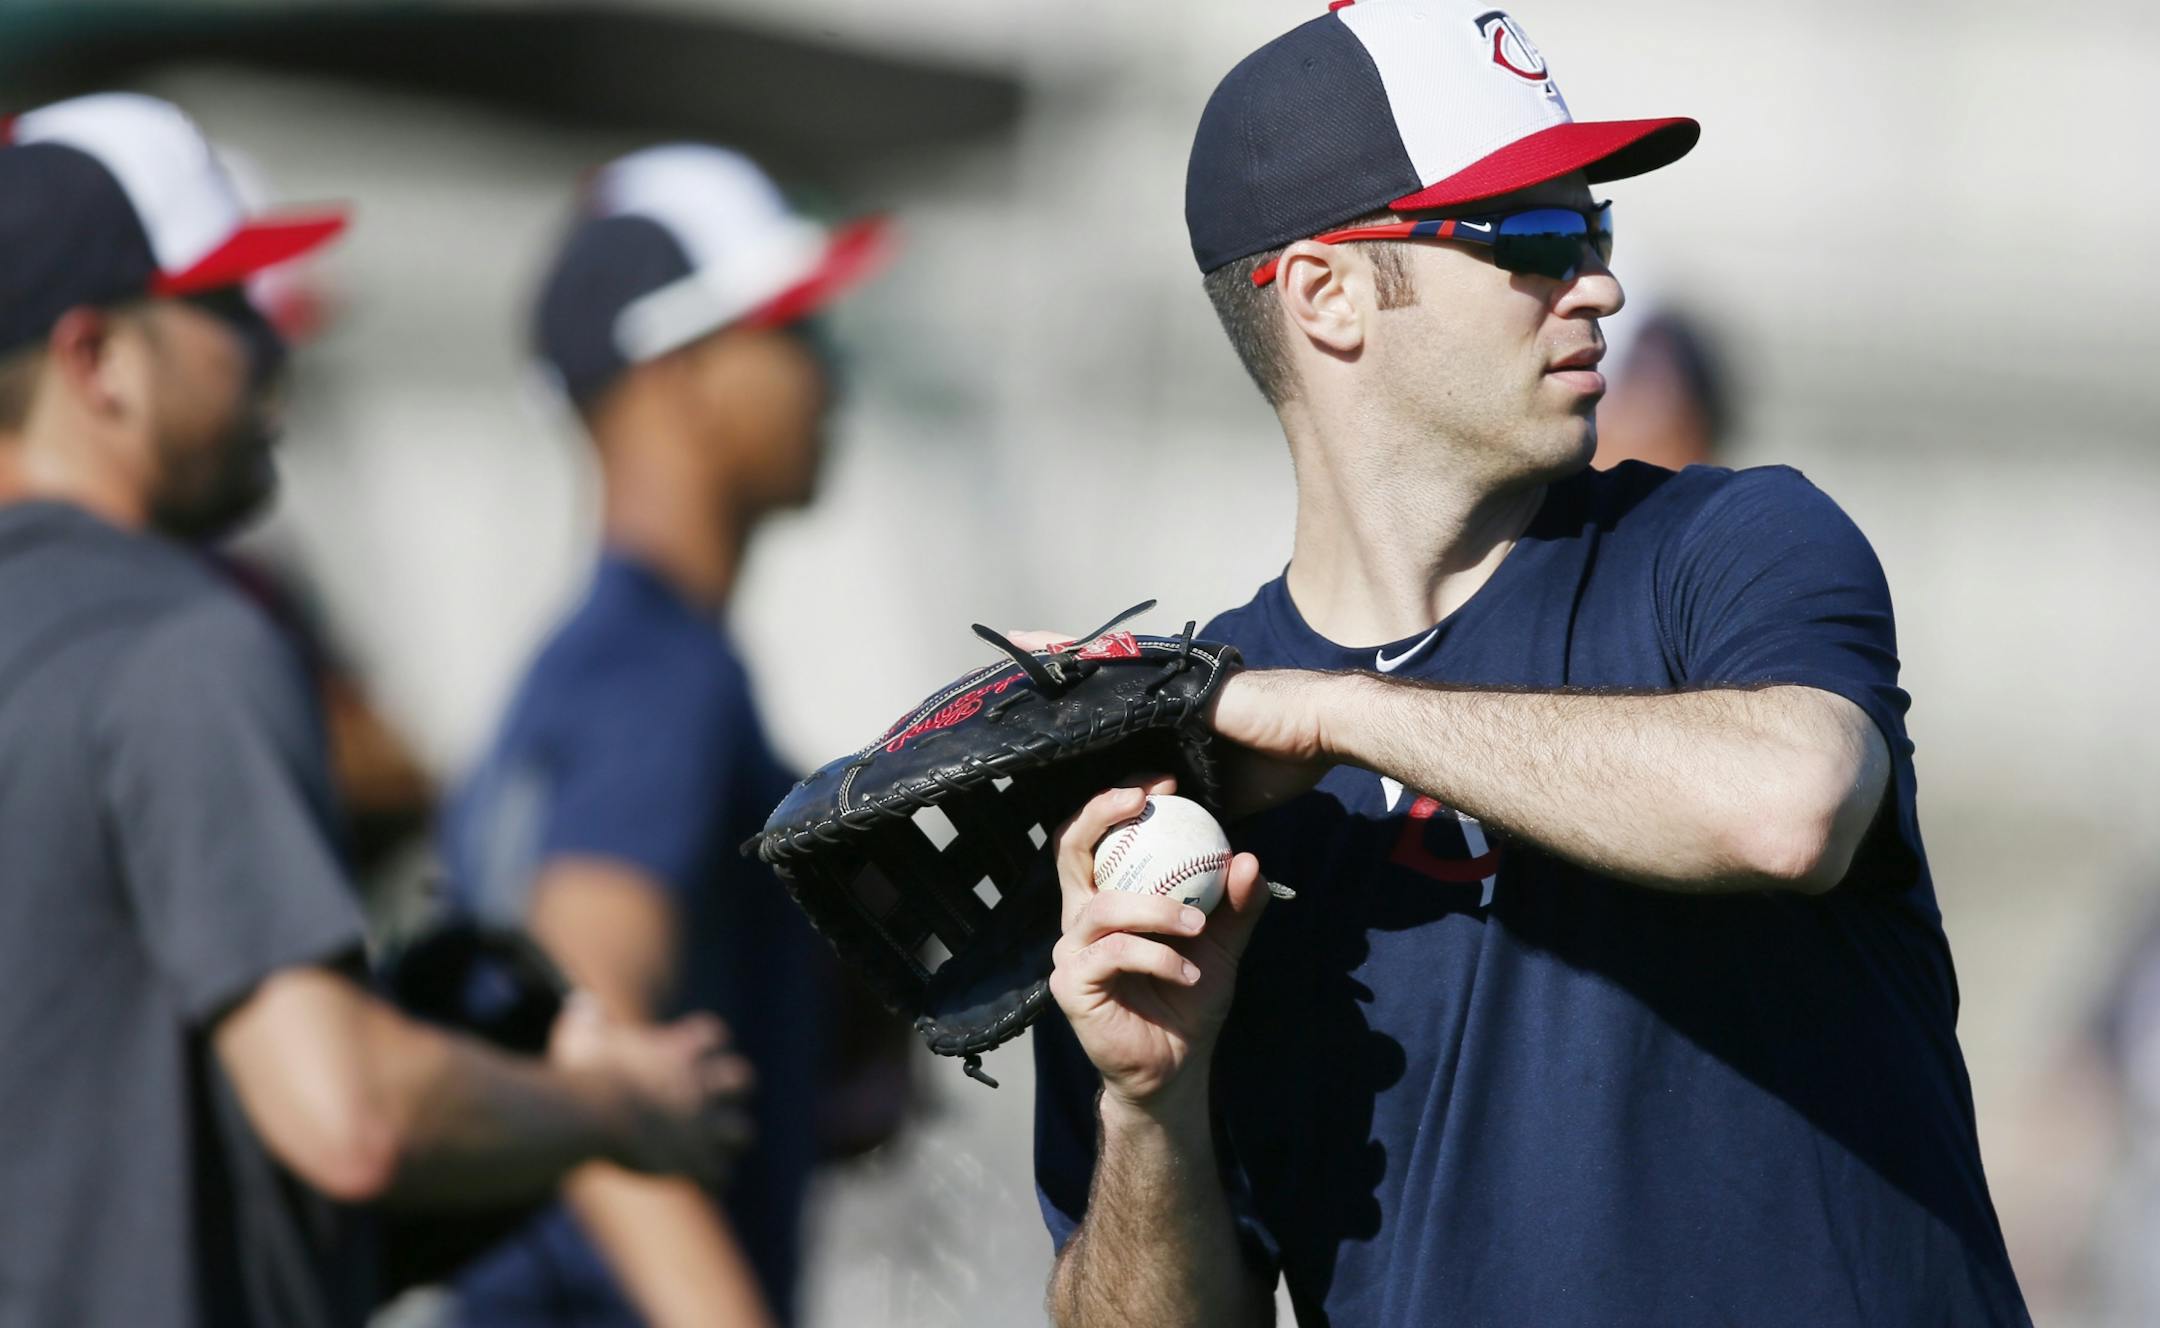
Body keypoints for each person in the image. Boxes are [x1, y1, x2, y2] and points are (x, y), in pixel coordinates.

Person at [1029, 4, 2032, 1324]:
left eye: (1596, 228)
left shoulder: (1725, 545)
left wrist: (1337, 711)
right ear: (1328, 295)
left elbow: (1790, 808)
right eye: (1536, 237)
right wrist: (1152, 1099)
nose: (1602, 283)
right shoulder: (1174, 779)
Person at [0, 94, 751, 1328]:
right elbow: (342, 1112)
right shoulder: (181, 641)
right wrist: (616, 1108)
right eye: (227, 303)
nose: (269, 346)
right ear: (97, 361)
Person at [439, 145, 893, 1328]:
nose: (830, 374)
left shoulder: (584, 665)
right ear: (680, 368)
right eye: (793, 330)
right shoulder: (658, 673)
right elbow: (588, 1025)